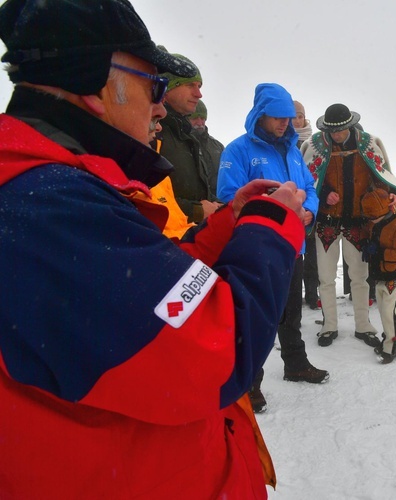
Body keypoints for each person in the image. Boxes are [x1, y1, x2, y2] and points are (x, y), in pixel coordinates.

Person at [0, 0, 308, 497]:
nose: (160, 104)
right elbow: (216, 350)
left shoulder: (56, 190)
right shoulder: (44, 207)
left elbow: (152, 292)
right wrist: (272, 227)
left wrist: (229, 226)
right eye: (154, 84)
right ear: (100, 83)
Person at [217, 84, 329, 413]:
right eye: (278, 117)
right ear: (260, 115)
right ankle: (249, 383)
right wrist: (274, 210)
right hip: (258, 249)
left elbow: (309, 187)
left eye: (288, 118)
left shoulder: (293, 152)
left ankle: (295, 363)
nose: (285, 123)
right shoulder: (237, 151)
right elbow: (229, 194)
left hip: (292, 247)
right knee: (257, 317)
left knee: (290, 313)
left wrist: (308, 209)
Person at [301, 103, 396, 349]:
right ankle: (329, 326)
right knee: (326, 278)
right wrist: (324, 193)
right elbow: (307, 179)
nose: (336, 135)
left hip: (358, 222)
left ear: (350, 125)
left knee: (360, 278)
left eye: (341, 130)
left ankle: (363, 325)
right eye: (332, 131)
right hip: (327, 222)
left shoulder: (369, 144)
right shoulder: (314, 146)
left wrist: (391, 195)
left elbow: (381, 175)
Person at [158, 51, 222, 223]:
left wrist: (226, 207)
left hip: (189, 240)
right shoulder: (152, 131)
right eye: (190, 85)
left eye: (199, 87)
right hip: (163, 241)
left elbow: (201, 194)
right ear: (168, 86)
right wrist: (195, 211)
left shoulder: (187, 137)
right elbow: (144, 199)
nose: (198, 94)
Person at [360, 188, 396, 364]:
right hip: (379, 273)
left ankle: (392, 344)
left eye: (373, 217)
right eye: (369, 218)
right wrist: (366, 244)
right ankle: (387, 336)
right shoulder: (374, 223)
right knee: (382, 309)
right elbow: (368, 234)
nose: (371, 221)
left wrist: (378, 253)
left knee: (390, 311)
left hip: (394, 275)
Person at [293, 100, 319, 309]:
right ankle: (291, 297)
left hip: (312, 206)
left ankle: (312, 295)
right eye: (292, 116)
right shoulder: (284, 144)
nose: (297, 120)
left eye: (300, 115)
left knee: (312, 255)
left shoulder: (315, 143)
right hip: (290, 206)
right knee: (292, 256)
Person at [188, 98, 225, 180]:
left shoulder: (218, 147)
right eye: (194, 118)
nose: (200, 123)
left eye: (202, 118)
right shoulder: (180, 144)